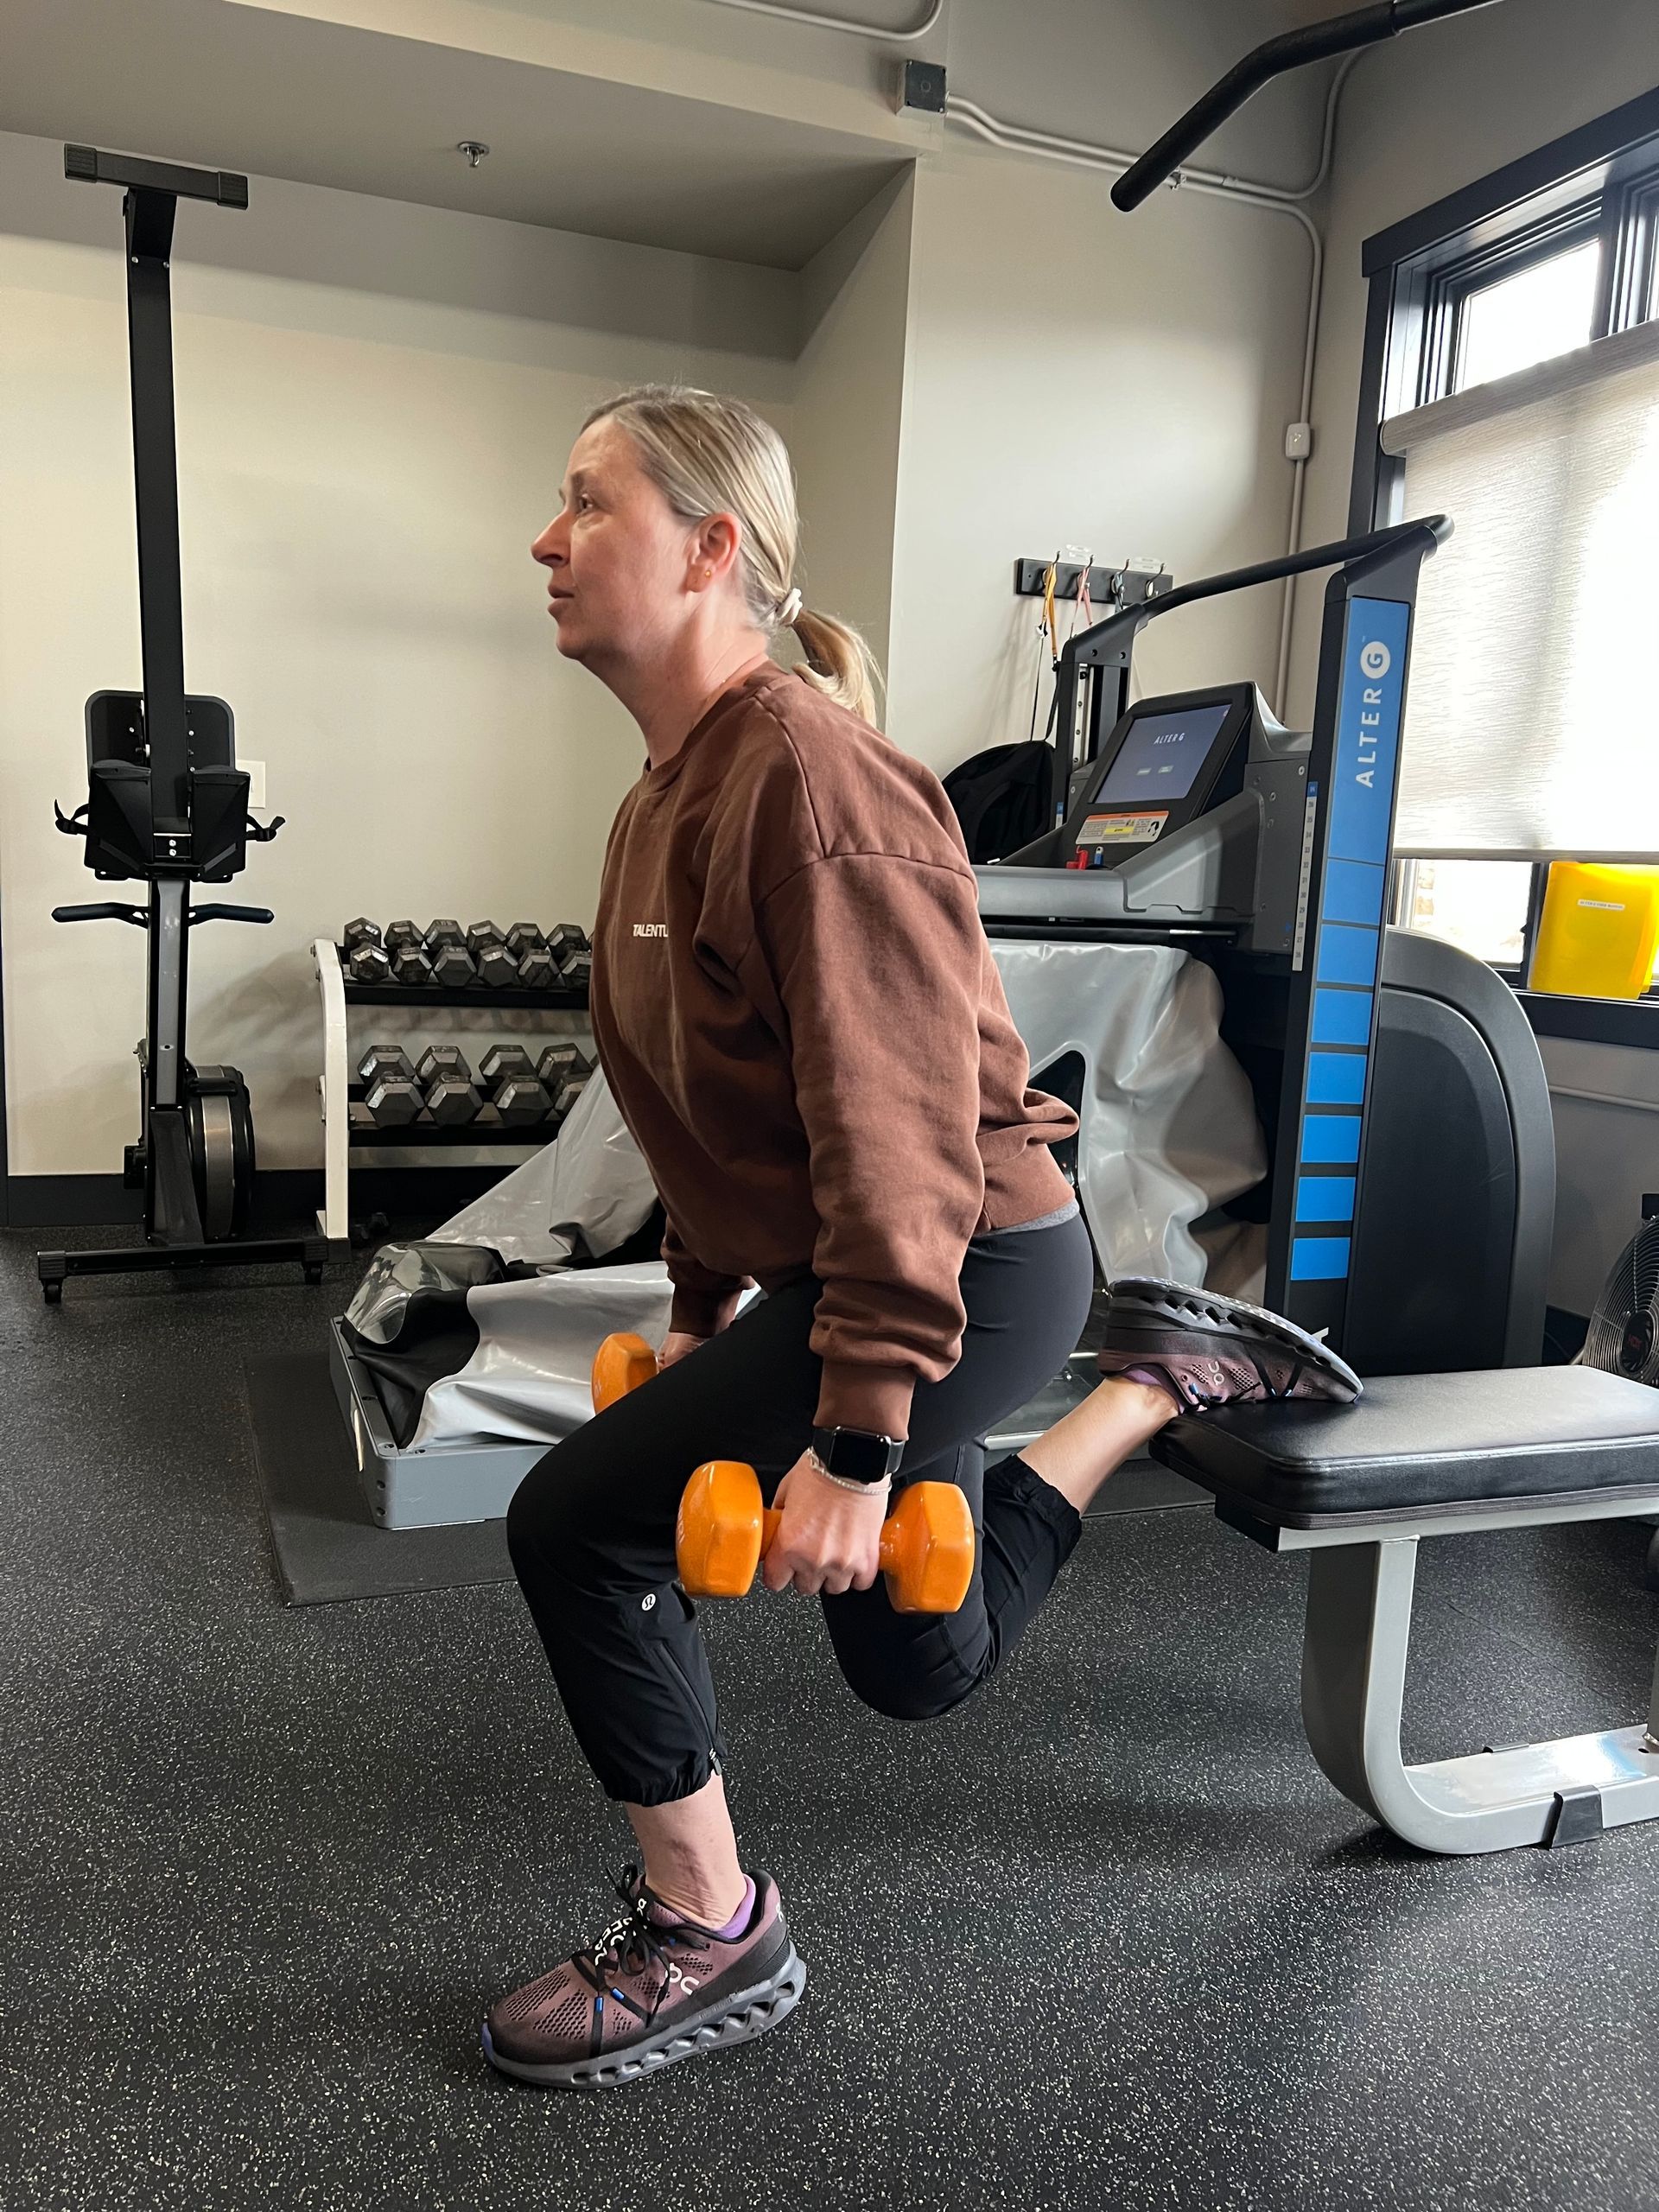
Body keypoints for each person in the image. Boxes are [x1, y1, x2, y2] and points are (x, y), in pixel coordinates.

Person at [485, 385, 1359, 2091]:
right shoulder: (665, 795)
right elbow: (709, 1098)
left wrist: (861, 1427)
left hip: (964, 1263)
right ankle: (1148, 1388)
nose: (546, 536)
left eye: (587, 501)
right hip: (871, 1262)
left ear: (709, 546)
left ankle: (711, 1924)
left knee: (577, 1526)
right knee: (916, 1659)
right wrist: (698, 1303)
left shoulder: (810, 778)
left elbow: (896, 1132)